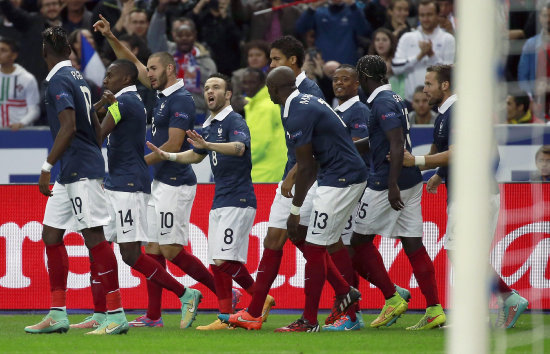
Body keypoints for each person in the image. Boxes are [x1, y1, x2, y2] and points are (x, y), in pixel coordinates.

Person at [94, 16, 217, 328]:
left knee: (170, 250)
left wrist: (137, 164)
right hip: (158, 182)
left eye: (152, 69)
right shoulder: (160, 96)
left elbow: (174, 144)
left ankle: (229, 296)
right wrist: (110, 36)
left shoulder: (181, 100)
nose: (147, 73)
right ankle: (153, 315)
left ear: (169, 69)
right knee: (152, 249)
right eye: (146, 70)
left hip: (176, 182)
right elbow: (130, 65)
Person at [69, 59, 203, 330]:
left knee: (130, 254)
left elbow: (96, 136)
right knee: (98, 249)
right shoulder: (124, 102)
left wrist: (100, 108)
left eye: (111, 75)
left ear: (127, 78)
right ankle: (102, 313)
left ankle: (186, 294)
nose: (105, 80)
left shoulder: (123, 103)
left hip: (129, 187)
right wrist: (98, 108)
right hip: (118, 183)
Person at [404, 64, 528, 329]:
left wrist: (414, 160)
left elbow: (458, 151)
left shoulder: (459, 111)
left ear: (445, 85)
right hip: (470, 193)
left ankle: (508, 298)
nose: (425, 90)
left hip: (474, 195)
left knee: (461, 253)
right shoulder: (445, 114)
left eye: (429, 84)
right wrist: (437, 173)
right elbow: (443, 153)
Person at [25, 26, 128, 335]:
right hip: (74, 169)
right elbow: (94, 132)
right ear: (69, 50)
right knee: (51, 235)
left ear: (44, 51)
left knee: (94, 236)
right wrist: (98, 109)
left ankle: (117, 313)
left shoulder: (58, 80)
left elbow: (68, 127)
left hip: (79, 170)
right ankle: (57, 313)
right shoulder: (79, 78)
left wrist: (46, 166)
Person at [147, 73, 258, 331]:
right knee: (217, 263)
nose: (210, 91)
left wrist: (209, 144)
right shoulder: (209, 124)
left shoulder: (234, 120)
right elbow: (196, 157)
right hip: (221, 199)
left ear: (228, 94)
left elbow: (240, 148)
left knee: (223, 261)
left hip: (238, 198)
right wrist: (168, 155)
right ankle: (226, 316)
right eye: (207, 87)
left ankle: (260, 298)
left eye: (217, 87)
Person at [353, 55, 445, 330]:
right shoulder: (394, 99)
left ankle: (392, 296)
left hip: (387, 181)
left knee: (354, 242)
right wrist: (350, 147)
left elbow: (395, 145)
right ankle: (434, 309)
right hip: (411, 181)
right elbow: (384, 138)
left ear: (366, 77)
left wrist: (391, 184)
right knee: (413, 244)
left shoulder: (381, 102)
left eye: (359, 77)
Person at [271, 66, 366, 332]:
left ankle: (309, 320)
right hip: (337, 175)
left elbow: (307, 166)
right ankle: (346, 291)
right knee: (317, 238)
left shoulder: (296, 112)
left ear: (275, 90)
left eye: (269, 88)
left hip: (341, 178)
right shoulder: (307, 101)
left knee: (313, 246)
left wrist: (295, 208)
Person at [391, 0, 455, 102]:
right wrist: (419, 56)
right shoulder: (407, 37)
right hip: (411, 102)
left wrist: (431, 55)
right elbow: (395, 68)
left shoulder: (448, 39)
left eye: (429, 15)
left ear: (438, 15)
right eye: (422, 15)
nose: (425, 19)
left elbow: (449, 74)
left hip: (438, 102)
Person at [241, 68, 287, 182]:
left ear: (262, 83)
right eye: (245, 83)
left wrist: (235, 163)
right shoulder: (265, 103)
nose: (247, 86)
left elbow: (257, 145)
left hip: (263, 175)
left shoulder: (262, 108)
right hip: (271, 171)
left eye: (252, 82)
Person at [295, 0, 371, 65]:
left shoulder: (353, 11)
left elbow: (364, 31)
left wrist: (353, 5)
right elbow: (300, 29)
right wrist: (312, 7)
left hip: (347, 63)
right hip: (323, 64)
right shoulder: (319, 12)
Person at [0, 37, 40, 130]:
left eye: (3, 50)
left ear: (13, 55)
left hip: (21, 133)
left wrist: (21, 123)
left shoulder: (27, 79)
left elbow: (34, 109)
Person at [518, 1, 550, 96]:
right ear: (539, 18)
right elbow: (522, 77)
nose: (548, 19)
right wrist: (532, 95)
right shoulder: (530, 44)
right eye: (545, 16)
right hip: (537, 101)